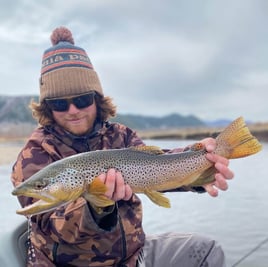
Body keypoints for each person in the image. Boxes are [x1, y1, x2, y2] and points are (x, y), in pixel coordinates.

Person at [11, 26, 234, 267]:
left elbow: (156, 167)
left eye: (82, 100)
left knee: (207, 251)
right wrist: (97, 206)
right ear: (47, 108)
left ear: (96, 99)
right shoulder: (34, 155)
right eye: (59, 104)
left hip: (132, 258)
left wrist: (200, 161)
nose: (73, 110)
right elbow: (50, 223)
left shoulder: (121, 135)